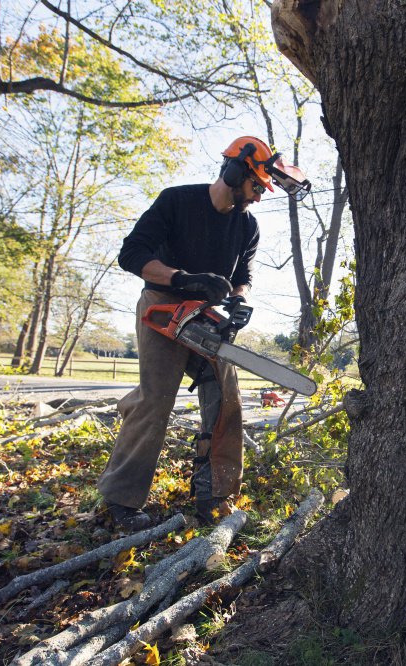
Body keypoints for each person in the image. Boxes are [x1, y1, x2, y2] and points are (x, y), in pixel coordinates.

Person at [98, 135, 309, 530]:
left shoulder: (247, 225)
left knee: (227, 394)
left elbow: (242, 275)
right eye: (255, 186)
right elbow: (132, 255)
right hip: (162, 307)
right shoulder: (176, 201)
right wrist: (184, 277)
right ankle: (121, 500)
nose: (257, 196)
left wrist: (239, 298)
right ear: (234, 171)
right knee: (157, 397)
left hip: (204, 314)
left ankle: (215, 493)